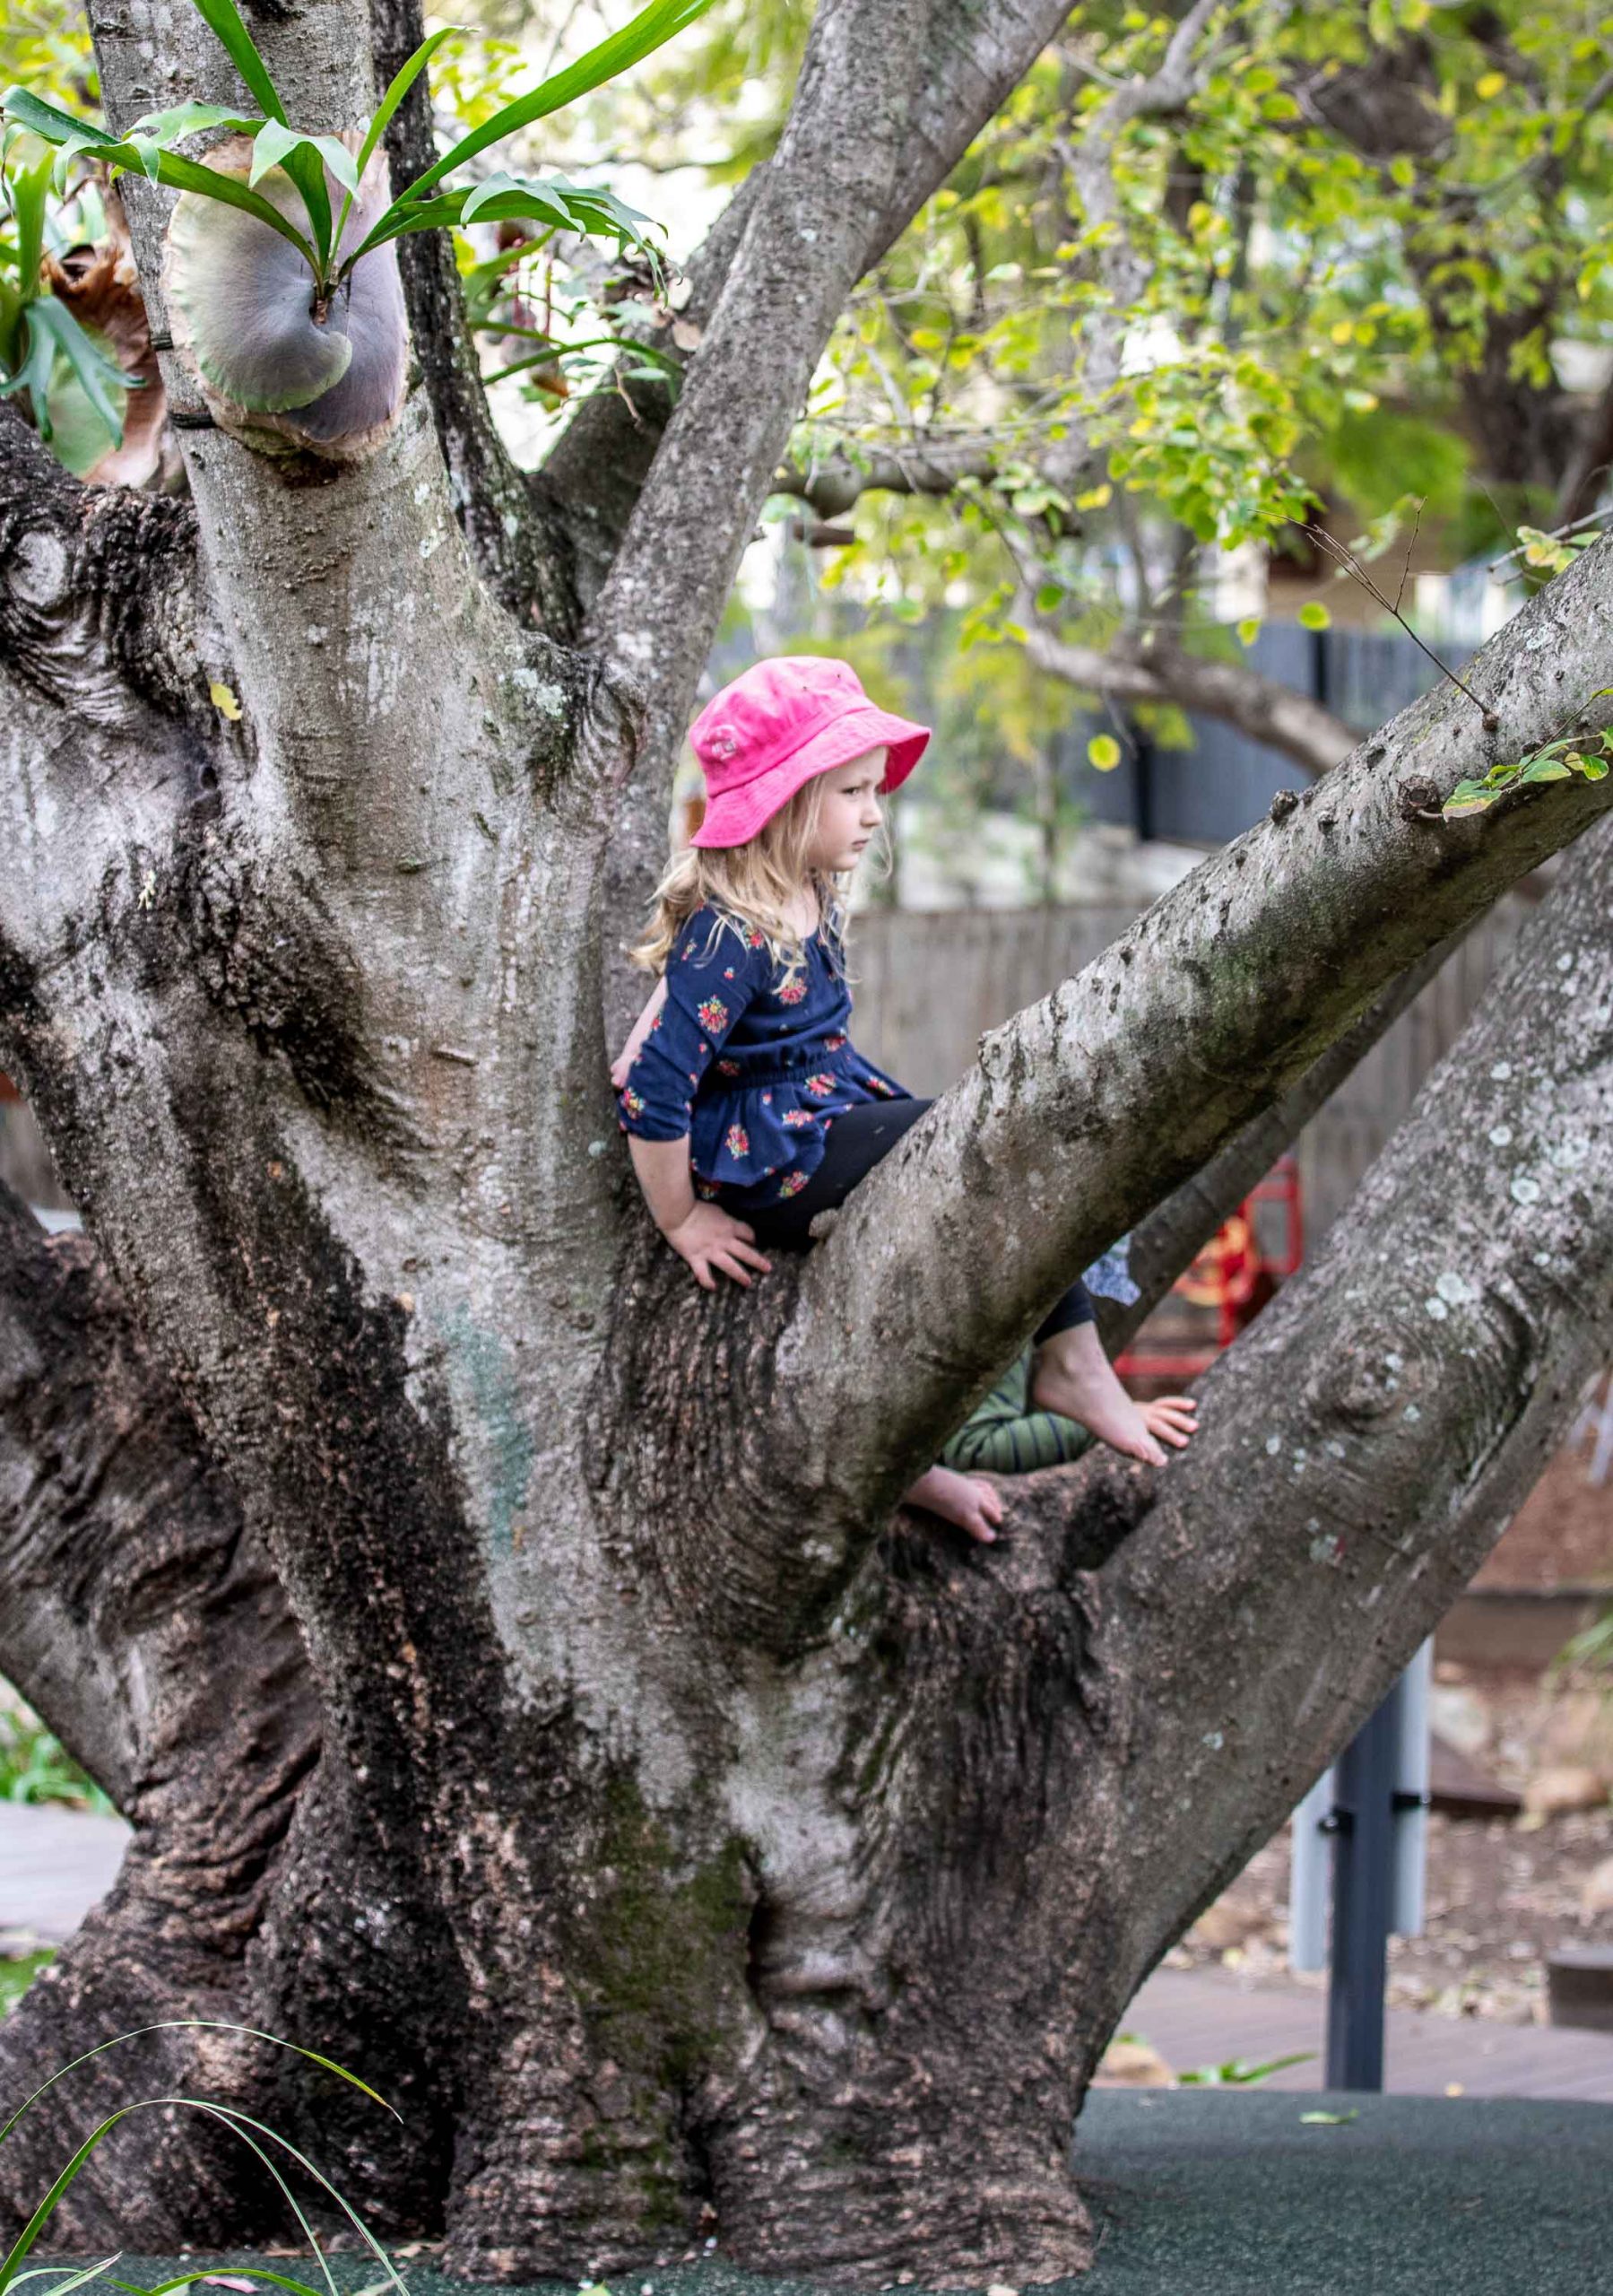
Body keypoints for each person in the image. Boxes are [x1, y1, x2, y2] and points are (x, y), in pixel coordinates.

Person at [611, 655, 1196, 1538]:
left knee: (992, 1157)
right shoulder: (729, 933)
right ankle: (1070, 1369)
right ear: (786, 798)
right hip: (763, 1158)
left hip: (819, 1115)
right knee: (983, 1139)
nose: (873, 813)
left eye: (871, 790)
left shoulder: (807, 896)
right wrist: (679, 1218)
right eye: (851, 791)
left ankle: (955, 1438)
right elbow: (648, 1082)